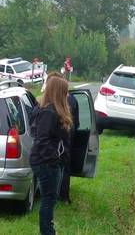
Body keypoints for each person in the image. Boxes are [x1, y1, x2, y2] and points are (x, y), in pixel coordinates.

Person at [30, 76, 73, 235]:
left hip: (48, 160)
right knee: (48, 200)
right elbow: (42, 140)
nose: (68, 94)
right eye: (66, 91)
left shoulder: (50, 109)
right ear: (58, 92)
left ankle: (48, 230)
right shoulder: (48, 112)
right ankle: (47, 232)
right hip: (46, 162)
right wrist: (53, 159)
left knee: (50, 198)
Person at [43, 72, 80, 204]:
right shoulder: (73, 99)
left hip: (55, 138)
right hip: (67, 137)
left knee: (54, 166)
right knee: (65, 166)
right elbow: (77, 123)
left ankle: (53, 193)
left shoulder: (46, 103)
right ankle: (63, 196)